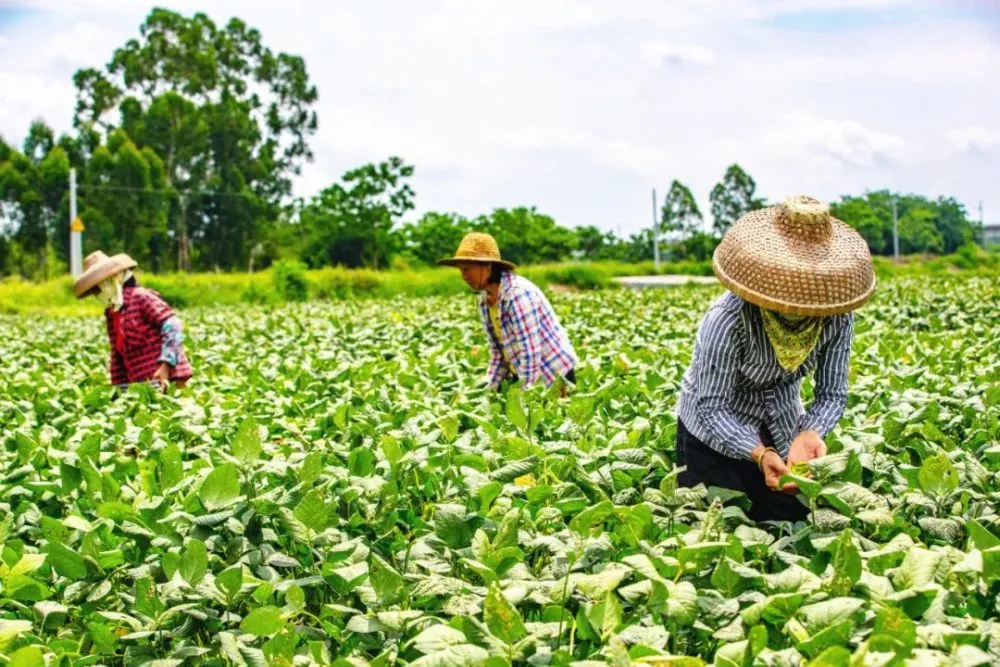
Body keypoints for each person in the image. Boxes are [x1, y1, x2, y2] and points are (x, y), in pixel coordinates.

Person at [675, 195, 875, 522]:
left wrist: (810, 433)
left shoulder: (837, 316)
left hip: (781, 422)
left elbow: (832, 394)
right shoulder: (729, 319)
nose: (804, 306)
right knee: (717, 526)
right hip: (711, 434)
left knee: (787, 526)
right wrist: (758, 453)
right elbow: (711, 407)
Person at [438, 232, 577, 396]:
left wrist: (525, 397)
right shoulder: (485, 300)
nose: (464, 276)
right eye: (461, 270)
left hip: (554, 375)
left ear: (487, 266)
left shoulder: (517, 295)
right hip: (525, 373)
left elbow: (530, 354)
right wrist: (486, 393)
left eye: (467, 269)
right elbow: (498, 354)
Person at [74, 250, 193, 391]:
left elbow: (173, 326)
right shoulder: (112, 313)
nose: (97, 293)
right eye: (94, 290)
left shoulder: (141, 297)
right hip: (142, 386)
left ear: (115, 278)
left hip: (169, 380)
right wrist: (117, 389)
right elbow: (117, 356)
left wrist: (165, 366)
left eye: (98, 287)